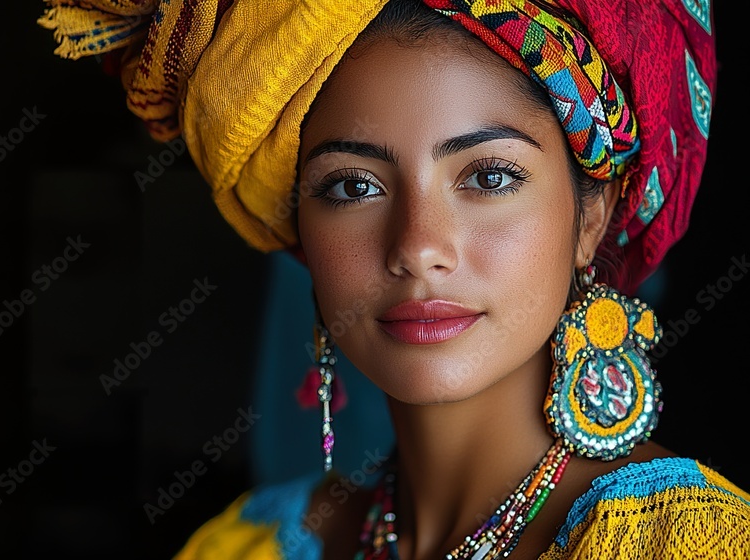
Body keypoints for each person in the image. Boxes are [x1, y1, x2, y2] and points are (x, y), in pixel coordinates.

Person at [38, 0, 750, 558]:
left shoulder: (681, 541)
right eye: (352, 187)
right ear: (300, 234)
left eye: (489, 176)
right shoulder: (251, 544)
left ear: (591, 217)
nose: (417, 247)